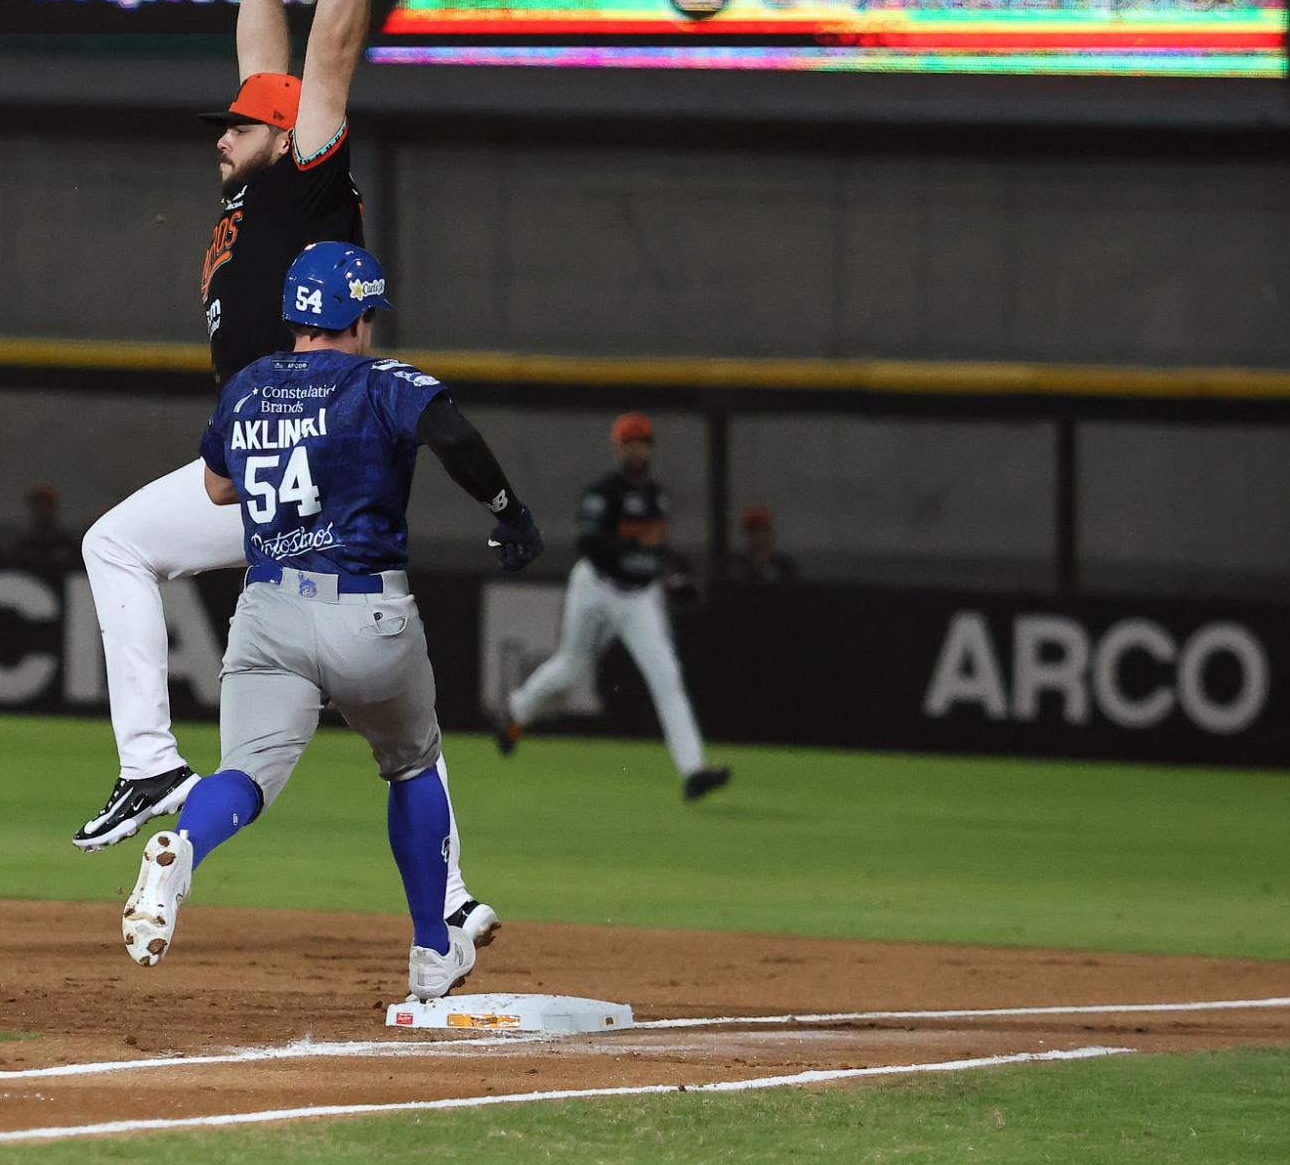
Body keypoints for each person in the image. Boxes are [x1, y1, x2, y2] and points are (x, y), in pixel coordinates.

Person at [74, 0, 501, 950]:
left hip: (294, 455)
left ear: (281, 135)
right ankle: (441, 894)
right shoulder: (248, 180)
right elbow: (266, 67)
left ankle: (149, 768)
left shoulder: (308, 175)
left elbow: (326, 59)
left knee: (119, 547)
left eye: (236, 128)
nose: (220, 135)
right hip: (267, 463)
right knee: (396, 700)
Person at [121, 244, 541, 1000]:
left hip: (269, 609)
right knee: (412, 764)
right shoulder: (380, 381)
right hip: (366, 611)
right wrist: (507, 510)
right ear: (361, 315)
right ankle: (428, 951)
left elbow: (219, 488)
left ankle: (182, 850)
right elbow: (451, 432)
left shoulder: (247, 385)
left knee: (244, 774)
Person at [494, 413, 731, 803]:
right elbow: (590, 545)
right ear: (618, 448)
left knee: (667, 676)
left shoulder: (658, 497)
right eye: (629, 442)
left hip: (637, 597)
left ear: (649, 448)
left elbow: (656, 552)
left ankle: (693, 771)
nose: (636, 448)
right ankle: (516, 713)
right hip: (595, 588)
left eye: (642, 442)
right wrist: (641, 551)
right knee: (571, 667)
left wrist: (672, 573)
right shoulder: (602, 493)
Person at [9, 483, 80, 576]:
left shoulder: (66, 544)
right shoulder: (24, 546)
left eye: (46, 505)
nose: (42, 509)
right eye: (38, 505)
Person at [730, 503, 797, 584]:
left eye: (762, 531)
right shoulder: (738, 568)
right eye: (753, 532)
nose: (759, 537)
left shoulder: (785, 566)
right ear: (746, 536)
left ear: (770, 533)